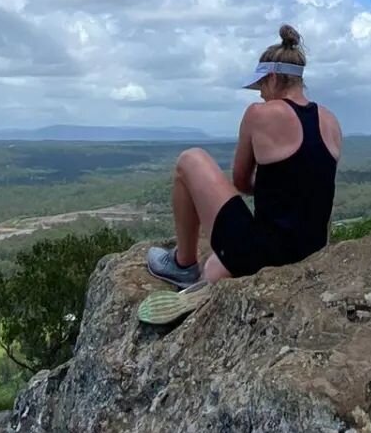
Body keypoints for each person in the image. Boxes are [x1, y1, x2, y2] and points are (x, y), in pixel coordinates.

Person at [146, 25, 342, 288]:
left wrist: (263, 191)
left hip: (262, 255)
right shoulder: (331, 121)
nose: (261, 93)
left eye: (261, 85)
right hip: (309, 253)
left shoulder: (259, 114)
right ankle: (219, 268)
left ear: (272, 78)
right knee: (216, 267)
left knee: (190, 159)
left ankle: (183, 264)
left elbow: (240, 181)